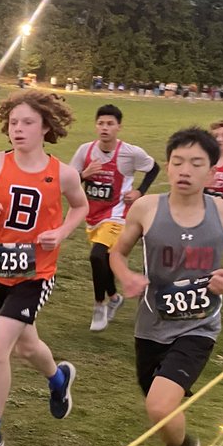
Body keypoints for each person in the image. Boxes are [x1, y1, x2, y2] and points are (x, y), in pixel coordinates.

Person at [109, 127, 223, 446]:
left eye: (196, 163)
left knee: (159, 406)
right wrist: (127, 277)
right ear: (168, 167)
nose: (185, 170)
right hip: (150, 324)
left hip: (198, 327)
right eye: (177, 162)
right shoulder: (146, 209)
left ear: (213, 173)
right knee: (158, 408)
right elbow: (117, 252)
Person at [0, 93, 88, 446]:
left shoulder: (62, 173)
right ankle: (59, 377)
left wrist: (62, 232)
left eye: (27, 122)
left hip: (36, 274)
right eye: (14, 122)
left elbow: (80, 206)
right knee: (27, 347)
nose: (18, 129)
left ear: (45, 127)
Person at [69, 104, 159, 331]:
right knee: (105, 260)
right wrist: (83, 174)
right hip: (93, 215)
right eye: (101, 123)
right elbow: (68, 182)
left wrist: (140, 191)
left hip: (118, 215)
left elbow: (154, 167)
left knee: (97, 256)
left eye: (110, 124)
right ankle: (114, 297)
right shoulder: (85, 151)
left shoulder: (130, 153)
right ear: (95, 125)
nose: (105, 128)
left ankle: (99, 305)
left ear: (119, 127)